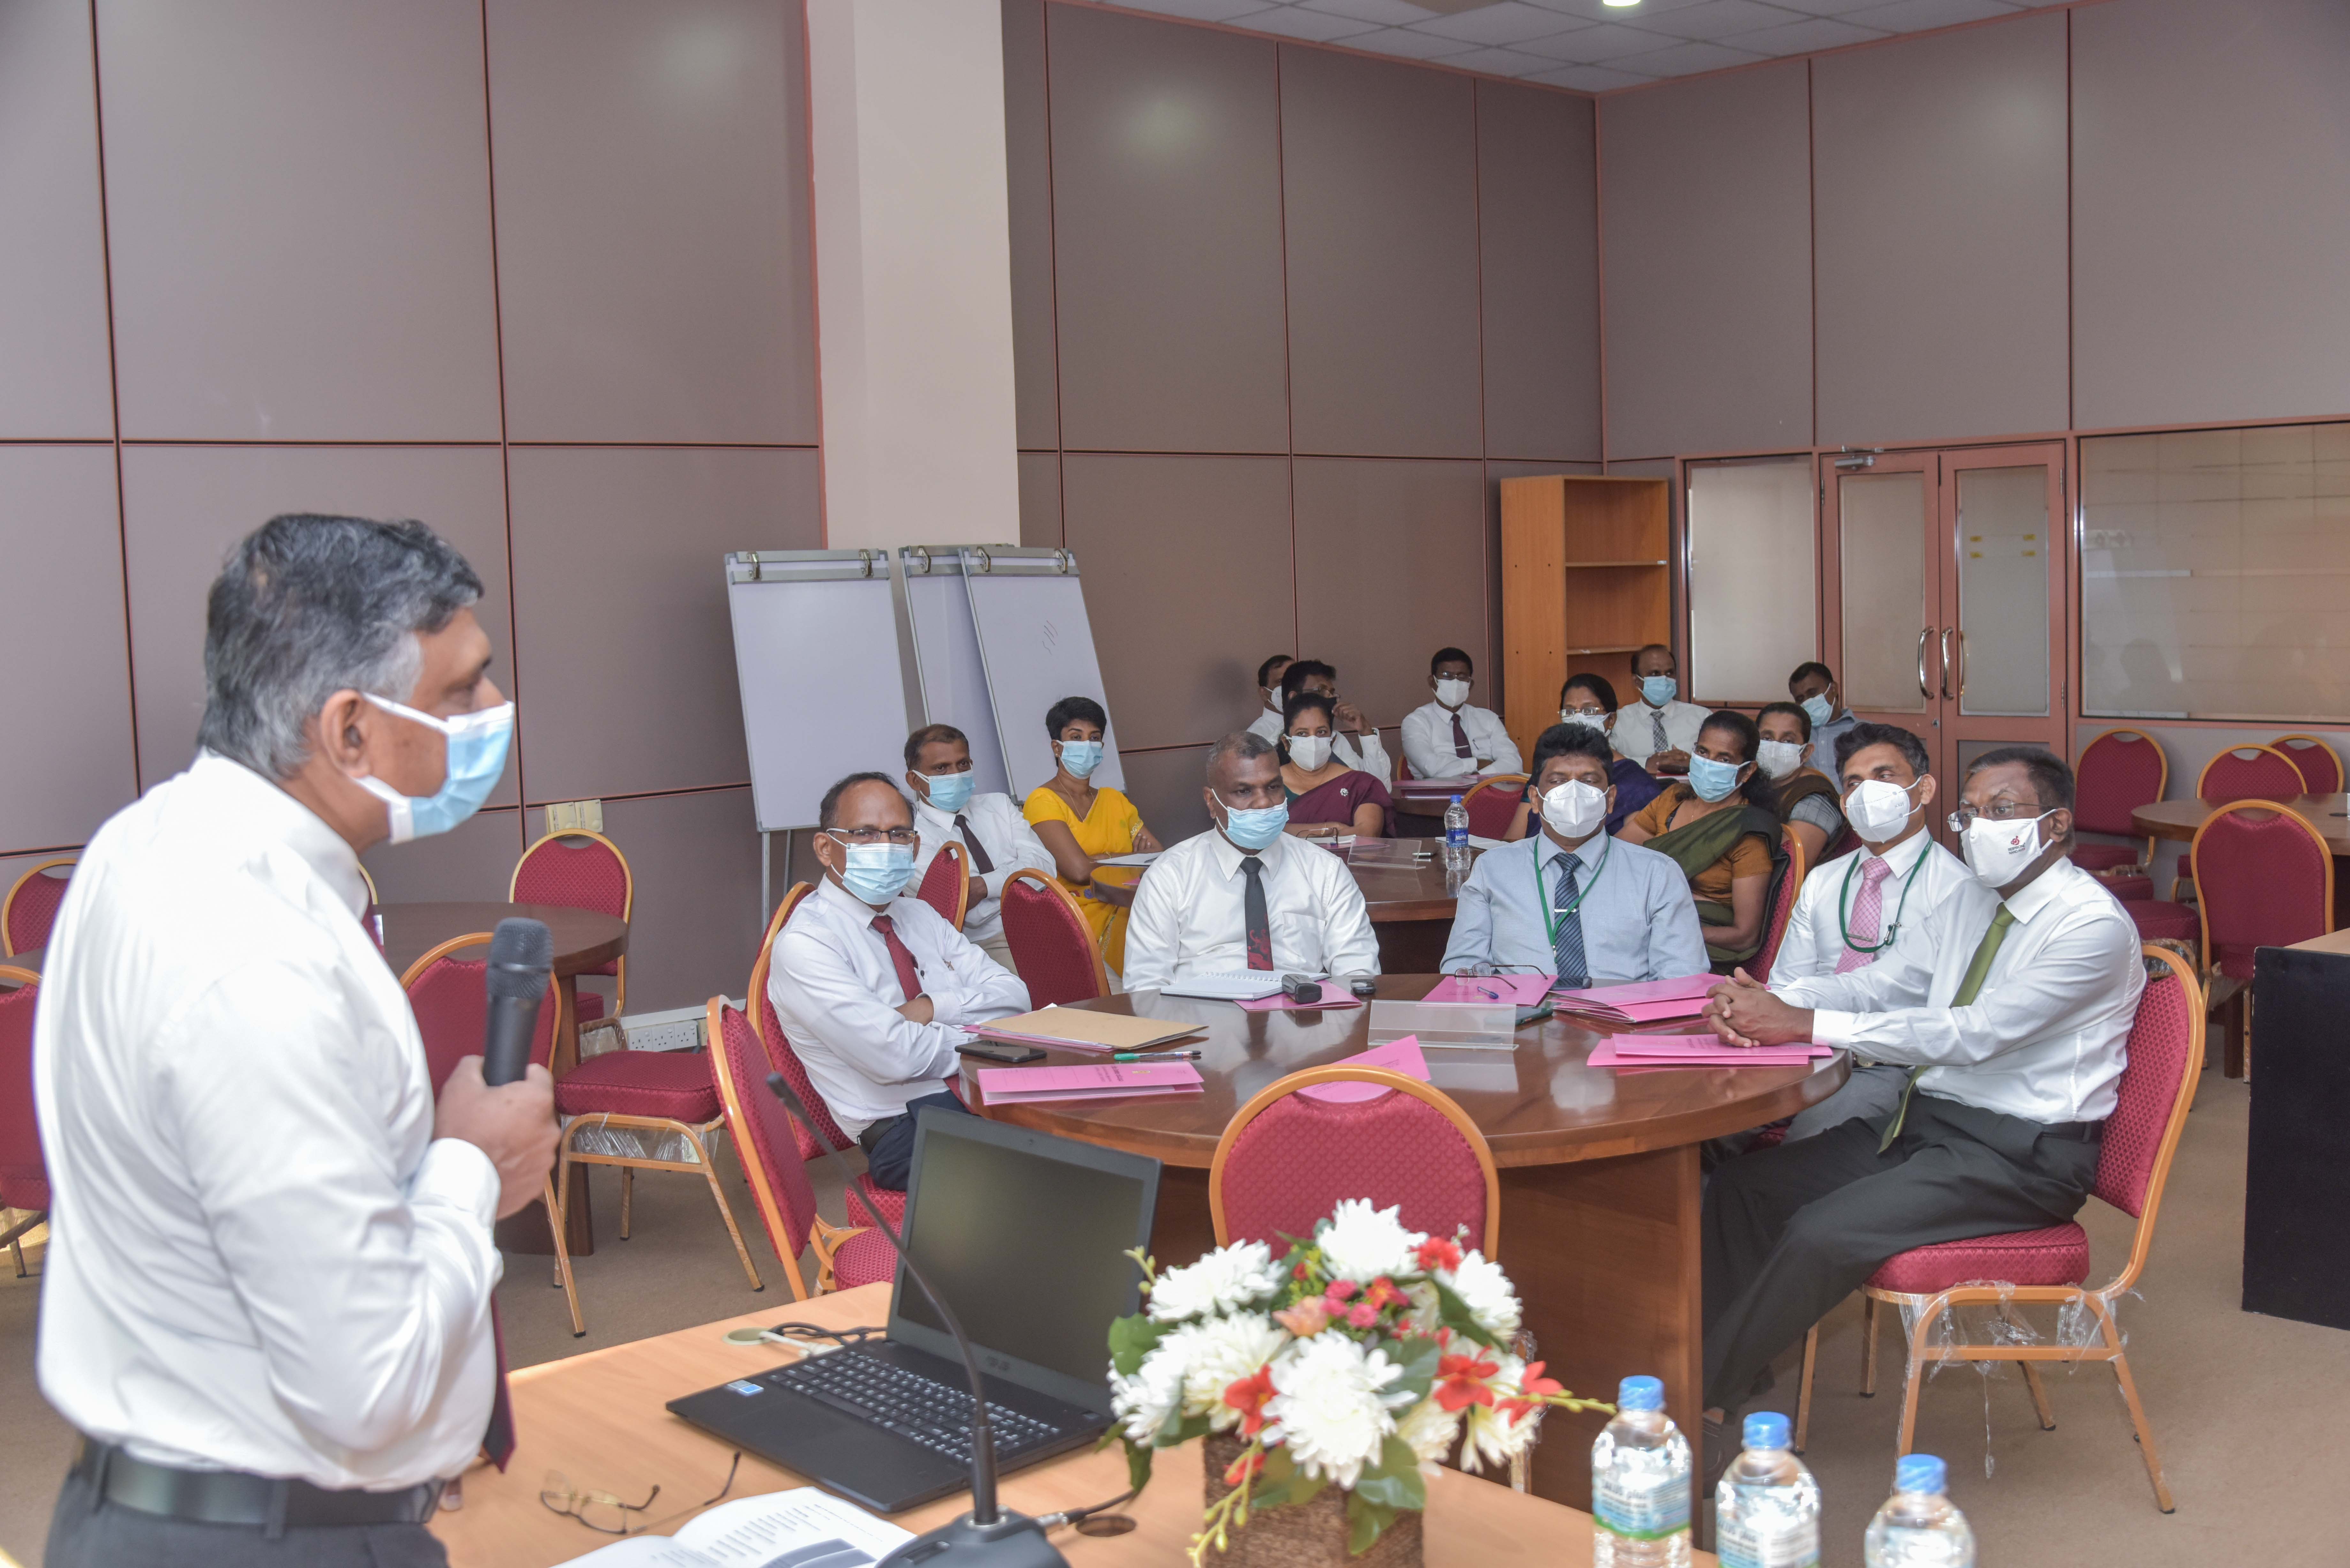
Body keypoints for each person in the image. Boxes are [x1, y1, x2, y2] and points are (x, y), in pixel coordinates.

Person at [34, 515, 557, 1566]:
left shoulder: (149, 843)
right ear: (350, 732)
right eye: (462, 690)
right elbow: (366, 1382)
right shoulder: (255, 958)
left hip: (171, 1507)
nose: (494, 710)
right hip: (266, 1541)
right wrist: (473, 1164)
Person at [1697, 748, 2142, 1429]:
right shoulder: (1971, 898)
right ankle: (1727, 1361)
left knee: (1821, 1231)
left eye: (2001, 810)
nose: (1977, 829)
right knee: (1742, 1189)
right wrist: (1773, 1001)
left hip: (2022, 1157)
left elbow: (1974, 1033)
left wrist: (1802, 1024)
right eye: (1969, 813)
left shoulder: (2091, 926)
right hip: (1927, 1122)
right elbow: (1885, 981)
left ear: (2055, 825)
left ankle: (1697, 1395)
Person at [770, 773, 1029, 1190]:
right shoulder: (808, 944)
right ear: (825, 848)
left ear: (915, 846)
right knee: (1062, 1160)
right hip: (906, 1126)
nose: (886, 846)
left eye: (899, 834)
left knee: (1101, 1118)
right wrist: (992, 1041)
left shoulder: (920, 915)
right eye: (865, 834)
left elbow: (1016, 998)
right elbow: (896, 1057)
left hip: (984, 1090)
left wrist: (931, 1007)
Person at [1764, 722, 1990, 1141]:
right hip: (1799, 1046)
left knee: (1808, 1145)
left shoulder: (1959, 891)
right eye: (1854, 783)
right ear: (1844, 803)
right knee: (1702, 1123)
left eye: (1884, 776)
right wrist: (1763, 1009)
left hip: (1886, 1064)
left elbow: (1946, 1017)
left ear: (1924, 789)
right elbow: (1787, 982)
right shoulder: (1823, 880)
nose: (1868, 792)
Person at [1443, 723, 1707, 983]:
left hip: (1622, 1010)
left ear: (1610, 798)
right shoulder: (1492, 870)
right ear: (1535, 799)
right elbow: (1461, 971)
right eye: (1558, 781)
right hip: (1521, 1009)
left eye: (1589, 781)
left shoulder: (1657, 874)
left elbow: (1682, 977)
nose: (1574, 793)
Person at [1123, 732, 1380, 992]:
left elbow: (1358, 974)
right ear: (1211, 801)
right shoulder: (1170, 876)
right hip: (1200, 1013)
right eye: (1244, 791)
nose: (1264, 803)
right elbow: (1145, 987)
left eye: (1273, 787)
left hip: (1300, 1013)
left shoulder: (1325, 872)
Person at [1618, 709, 1781, 967]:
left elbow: (1745, 936)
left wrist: (1669, 928)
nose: (1709, 764)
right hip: (1643, 926)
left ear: (1747, 771)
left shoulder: (1747, 832)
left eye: (1724, 759)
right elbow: (1617, 856)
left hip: (1703, 954)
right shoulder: (1672, 799)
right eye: (1703, 753)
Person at [1024, 696, 1161, 978]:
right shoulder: (1042, 800)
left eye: (1094, 738)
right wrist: (1131, 857)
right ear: (1057, 747)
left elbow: (1157, 857)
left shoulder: (1113, 799)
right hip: (1078, 915)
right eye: (1076, 737)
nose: (1087, 745)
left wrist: (1099, 860)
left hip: (1129, 903)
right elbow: (1077, 871)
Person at [903, 724, 1056, 974]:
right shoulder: (910, 836)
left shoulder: (999, 805)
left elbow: (1045, 867)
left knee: (1112, 991)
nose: (956, 775)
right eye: (941, 768)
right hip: (984, 944)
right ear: (914, 780)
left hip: (1049, 924)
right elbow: (969, 912)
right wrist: (1018, 874)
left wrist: (983, 886)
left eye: (963, 764)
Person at [1502, 674, 1661, 841]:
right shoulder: (1547, 773)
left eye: (1589, 711)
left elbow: (1630, 851)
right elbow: (1513, 840)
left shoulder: (1636, 783)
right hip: (1535, 856)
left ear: (1611, 720)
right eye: (1570, 711)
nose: (1578, 718)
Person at [1278, 690, 1391, 840]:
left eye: (1321, 732)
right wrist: (1331, 828)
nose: (1313, 740)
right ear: (1286, 742)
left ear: (1332, 741)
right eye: (1302, 734)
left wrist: (1295, 833)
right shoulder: (1268, 785)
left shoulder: (1360, 785)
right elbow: (1263, 833)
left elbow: (1367, 835)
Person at [1401, 646, 1522, 781]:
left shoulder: (1489, 719)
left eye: (1462, 677)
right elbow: (1431, 768)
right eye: (1447, 675)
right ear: (1432, 682)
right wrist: (1477, 764)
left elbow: (1514, 763)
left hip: (1490, 791)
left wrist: (1478, 778)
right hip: (1439, 794)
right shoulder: (1416, 722)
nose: (1455, 682)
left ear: (1471, 685)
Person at [1755, 700, 1846, 865]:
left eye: (1788, 741)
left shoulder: (1815, 800)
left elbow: (1789, 870)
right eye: (1767, 738)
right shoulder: (1754, 783)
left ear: (1806, 753)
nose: (1775, 747)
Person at [1279, 659, 1393, 786]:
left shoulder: (1336, 740)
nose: (1330, 698)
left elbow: (1378, 788)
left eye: (1332, 693)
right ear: (1294, 697)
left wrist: (1366, 731)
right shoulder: (1272, 745)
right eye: (1321, 691)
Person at [1611, 644, 1711, 777]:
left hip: (1689, 789)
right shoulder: (1618, 721)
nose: (1664, 679)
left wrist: (1694, 763)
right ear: (1636, 681)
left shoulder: (1702, 717)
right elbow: (1603, 758)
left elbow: (1717, 761)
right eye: (1655, 674)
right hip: (1639, 789)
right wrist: (1647, 763)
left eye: (1670, 673)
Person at [1789, 661, 1858, 778]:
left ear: (1833, 689)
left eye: (1813, 693)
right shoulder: (1794, 736)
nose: (1807, 701)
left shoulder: (1868, 731)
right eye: (1800, 699)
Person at [1244, 653, 1294, 743]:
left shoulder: (1313, 725)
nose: (1291, 687)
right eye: (1281, 681)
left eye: (1296, 680)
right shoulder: (1256, 739)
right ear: (1264, 693)